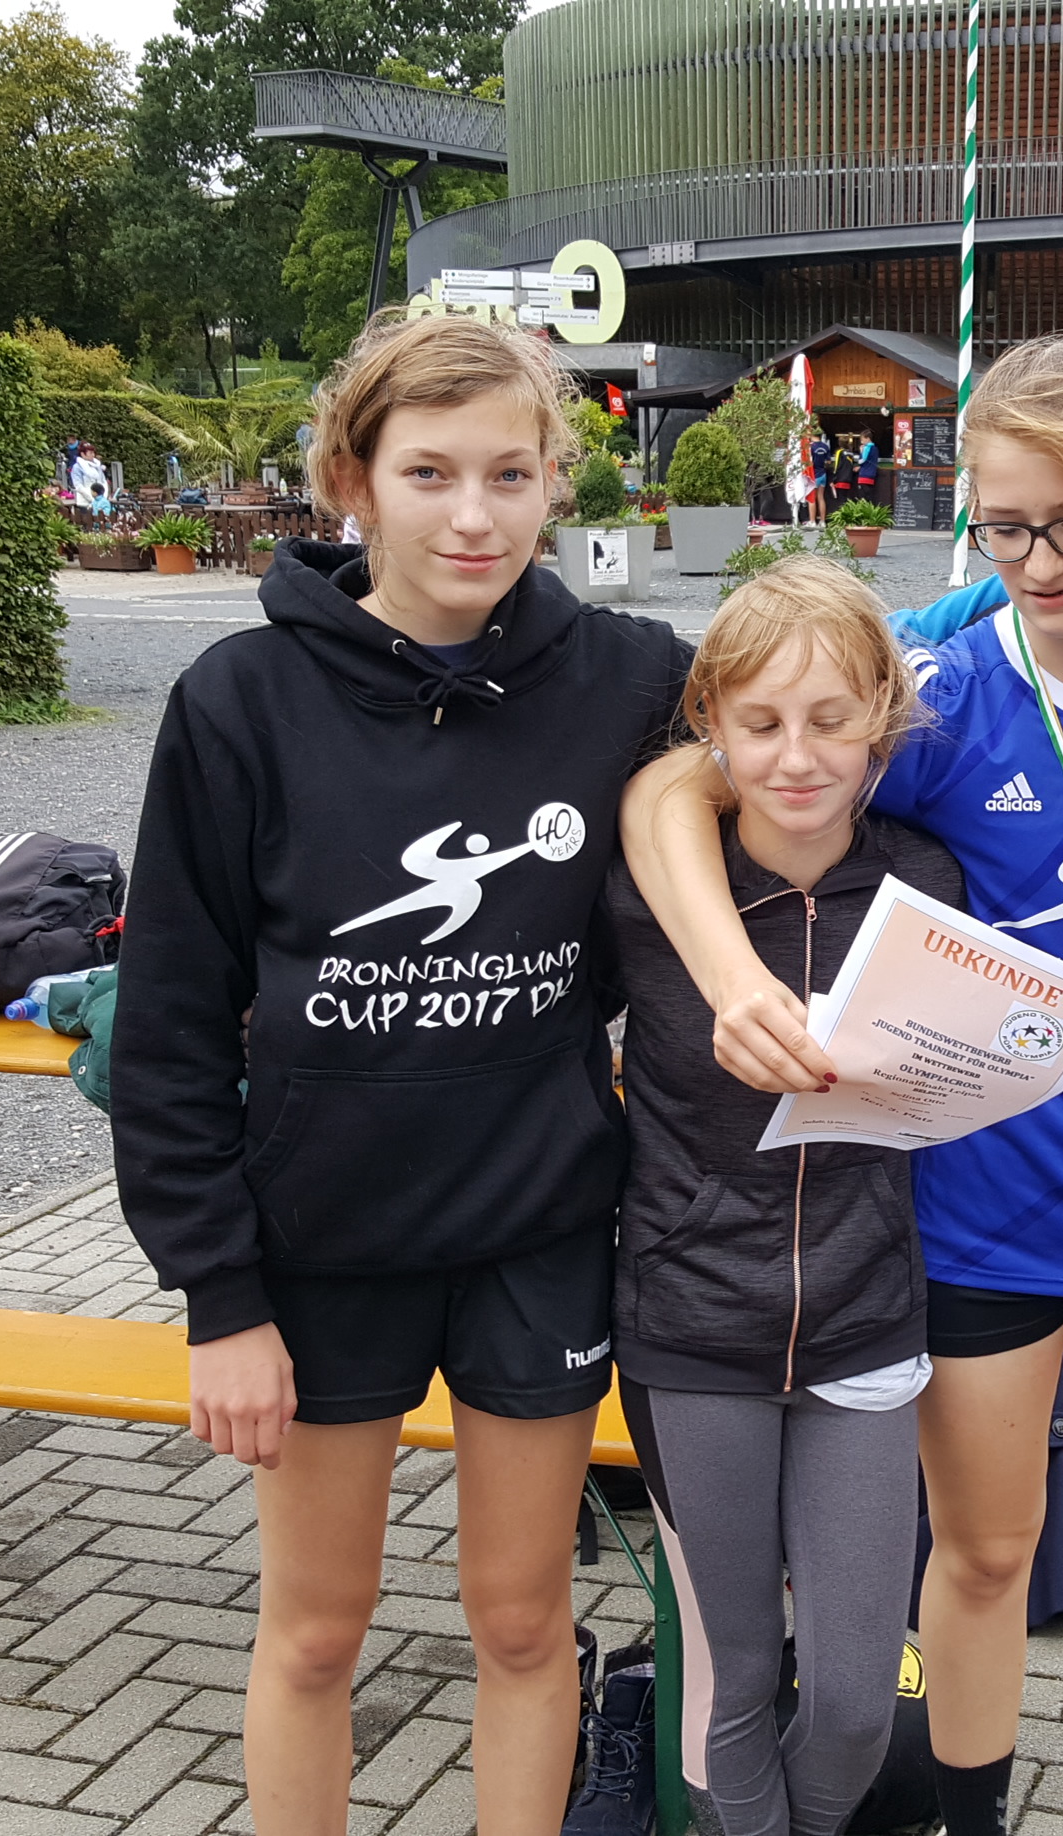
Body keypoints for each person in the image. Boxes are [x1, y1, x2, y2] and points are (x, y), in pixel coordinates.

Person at [623, 334, 1063, 1836]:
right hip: (972, 1222)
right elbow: (677, 787)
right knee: (982, 1560)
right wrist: (733, 978)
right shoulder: (948, 693)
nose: (1041, 563)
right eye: (1002, 525)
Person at [109, 310, 693, 1836]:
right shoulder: (240, 702)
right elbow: (171, 1021)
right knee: (315, 1633)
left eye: (510, 472)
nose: (473, 515)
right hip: (319, 1249)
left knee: (523, 1623)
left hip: (537, 1234)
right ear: (350, 480)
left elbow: (810, 732)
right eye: (429, 472)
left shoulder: (631, 681)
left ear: (557, 480)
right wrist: (218, 1297)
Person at [605, 556, 957, 1836]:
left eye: (829, 720)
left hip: (865, 1323)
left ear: (882, 723)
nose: (796, 757)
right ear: (711, 725)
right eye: (759, 723)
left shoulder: (928, 888)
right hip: (694, 1326)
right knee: (736, 1675)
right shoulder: (646, 899)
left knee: (858, 1698)